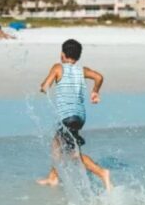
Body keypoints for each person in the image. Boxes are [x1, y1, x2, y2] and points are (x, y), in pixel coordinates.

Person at [37, 39, 112, 190]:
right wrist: (95, 92)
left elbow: (45, 86)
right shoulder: (82, 70)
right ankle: (53, 177)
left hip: (68, 117)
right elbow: (99, 77)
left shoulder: (58, 67)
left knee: (73, 154)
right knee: (57, 143)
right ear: (78, 57)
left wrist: (44, 88)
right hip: (79, 117)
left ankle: (102, 173)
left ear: (62, 55)